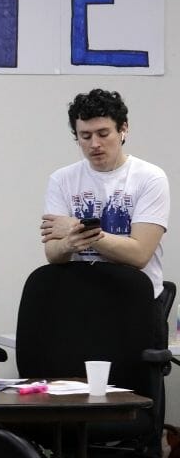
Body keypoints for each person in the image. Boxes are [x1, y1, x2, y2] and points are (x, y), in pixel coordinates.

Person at [40, 89, 170, 300]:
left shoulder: (150, 177)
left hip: (135, 300)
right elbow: (53, 253)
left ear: (123, 129)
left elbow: (139, 255)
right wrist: (67, 244)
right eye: (85, 136)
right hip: (81, 299)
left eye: (103, 134)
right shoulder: (61, 179)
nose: (94, 144)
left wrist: (75, 227)